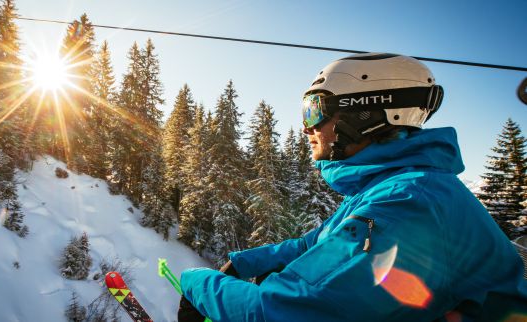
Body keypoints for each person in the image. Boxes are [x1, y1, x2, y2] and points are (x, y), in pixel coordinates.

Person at [177, 53, 527, 321]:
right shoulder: (393, 185)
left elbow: (284, 312)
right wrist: (243, 263)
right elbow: (316, 241)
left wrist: (196, 283)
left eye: (314, 109)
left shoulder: (405, 202)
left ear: (365, 114)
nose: (306, 127)